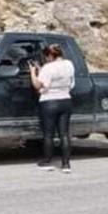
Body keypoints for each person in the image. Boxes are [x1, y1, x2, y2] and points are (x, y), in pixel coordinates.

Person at [30, 43, 75, 173]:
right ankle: (66, 164)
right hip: (66, 100)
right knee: (64, 134)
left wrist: (33, 73)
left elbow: (38, 85)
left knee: (48, 134)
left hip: (49, 101)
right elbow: (71, 83)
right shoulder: (69, 65)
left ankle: (47, 161)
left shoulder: (48, 67)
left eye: (47, 56)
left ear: (50, 55)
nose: (46, 59)